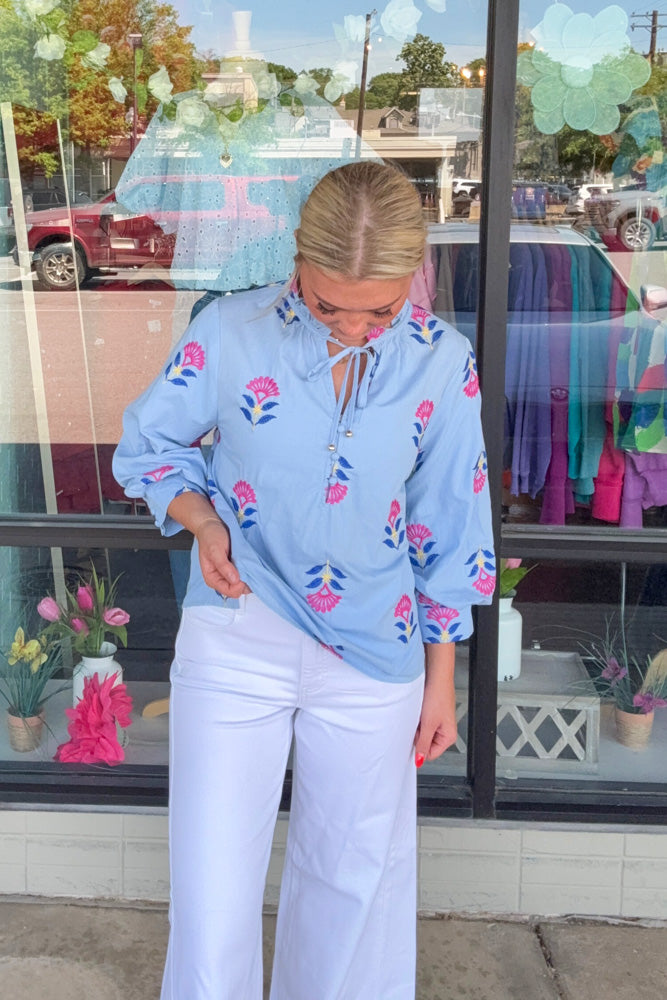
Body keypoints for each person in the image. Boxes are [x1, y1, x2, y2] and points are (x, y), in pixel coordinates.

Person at [113, 161, 495, 1000]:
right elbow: (150, 445)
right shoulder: (230, 330)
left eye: (379, 311)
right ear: (297, 260)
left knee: (352, 890)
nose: (354, 329)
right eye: (328, 307)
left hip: (376, 655)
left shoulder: (441, 361)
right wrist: (203, 520)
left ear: (412, 277)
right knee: (211, 897)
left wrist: (442, 679)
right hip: (235, 637)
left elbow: (449, 527)